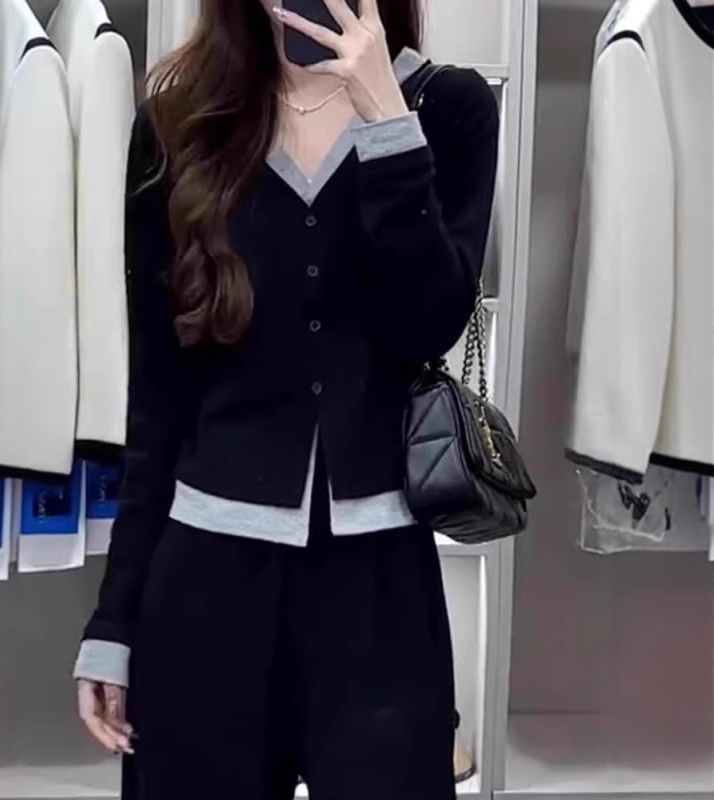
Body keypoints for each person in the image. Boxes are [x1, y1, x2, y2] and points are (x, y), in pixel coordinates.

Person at [74, 0, 499, 797]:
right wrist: (114, 620)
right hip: (204, 582)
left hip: (381, 589)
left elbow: (429, 325)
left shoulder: (449, 108)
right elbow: (158, 399)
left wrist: (387, 122)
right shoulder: (178, 123)